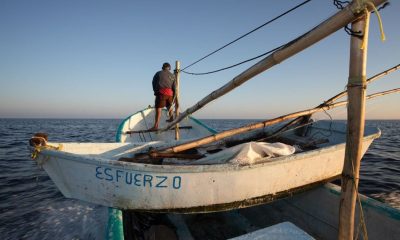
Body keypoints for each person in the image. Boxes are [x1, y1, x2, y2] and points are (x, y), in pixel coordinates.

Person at [150, 62, 178, 130]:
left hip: (161, 93)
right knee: (169, 107)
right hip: (170, 95)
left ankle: (155, 126)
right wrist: (174, 97)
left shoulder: (158, 73)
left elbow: (153, 82)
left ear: (163, 67)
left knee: (158, 109)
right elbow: (175, 87)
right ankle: (171, 119)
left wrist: (155, 91)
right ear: (169, 68)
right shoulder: (173, 76)